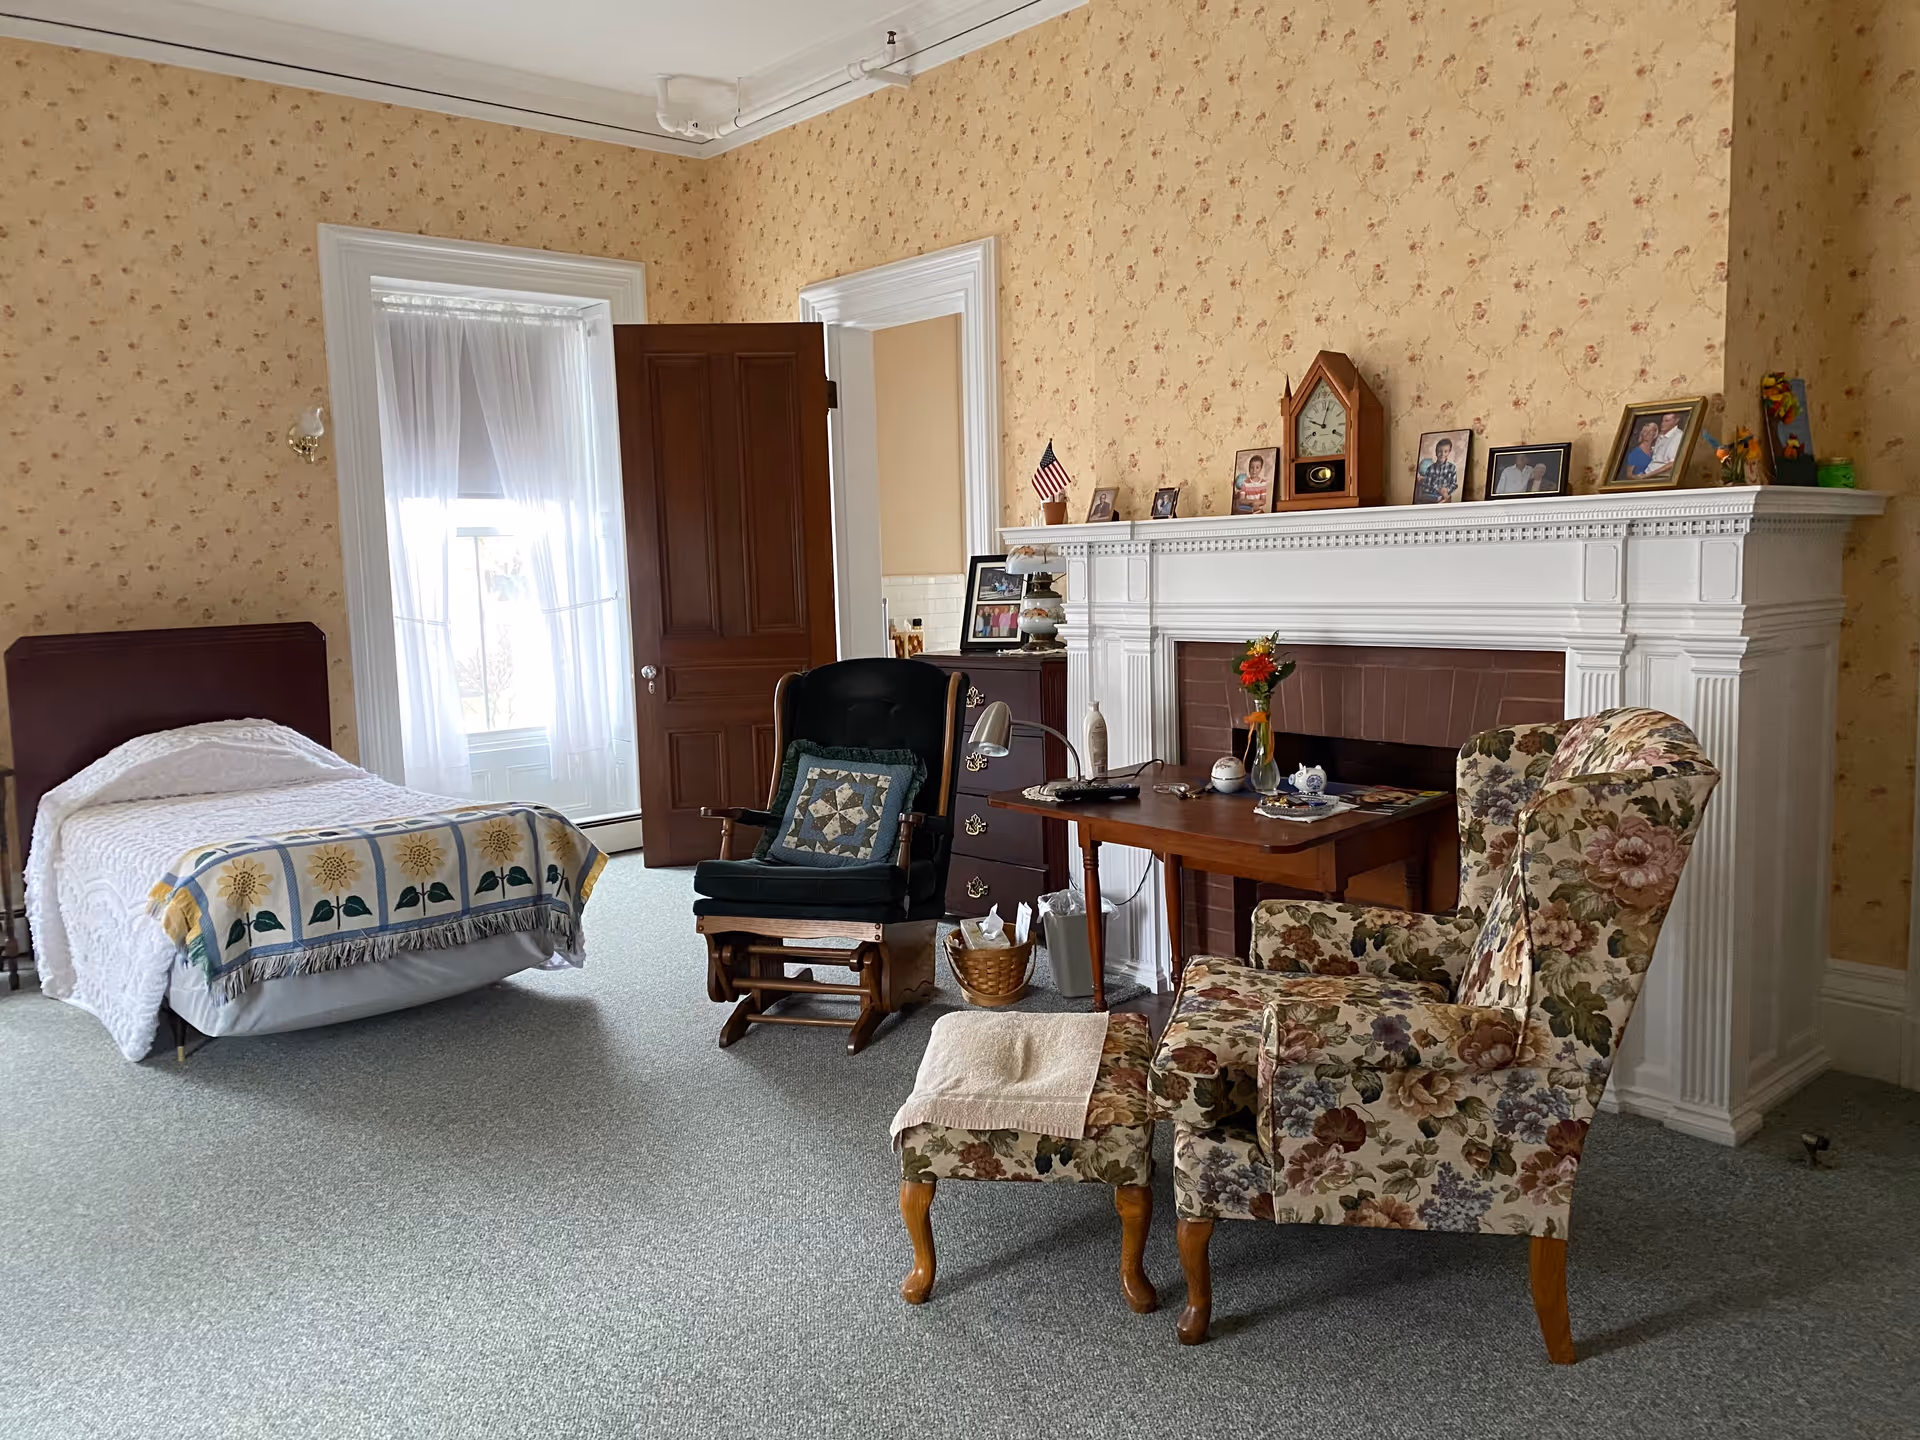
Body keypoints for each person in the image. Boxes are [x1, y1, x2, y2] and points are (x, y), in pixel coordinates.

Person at [1415, 436, 1459, 502]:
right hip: (1432, 497)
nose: (1442, 454)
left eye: (1446, 451)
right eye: (1439, 451)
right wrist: (1438, 490)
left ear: (1449, 452)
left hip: (1446, 497)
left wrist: (1447, 490)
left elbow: (1454, 484)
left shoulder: (1452, 467)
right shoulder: (1430, 469)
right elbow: (1426, 486)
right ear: (1436, 452)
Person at [1645, 411, 1685, 476]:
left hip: (1659, 477)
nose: (1663, 424)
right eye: (1662, 421)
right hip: (1648, 471)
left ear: (1676, 421)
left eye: (1667, 421)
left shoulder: (1678, 436)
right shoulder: (1661, 435)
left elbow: (1673, 463)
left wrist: (1647, 476)